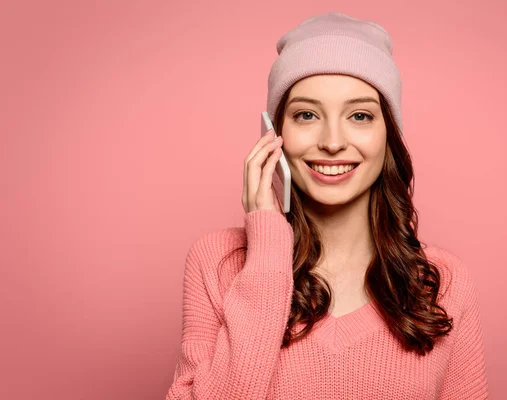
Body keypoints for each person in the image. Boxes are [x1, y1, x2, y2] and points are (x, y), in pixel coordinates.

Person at [166, 12, 488, 399]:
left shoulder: (444, 280)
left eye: (359, 115)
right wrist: (268, 248)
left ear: (388, 136)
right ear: (274, 133)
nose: (333, 141)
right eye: (306, 114)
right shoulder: (218, 262)